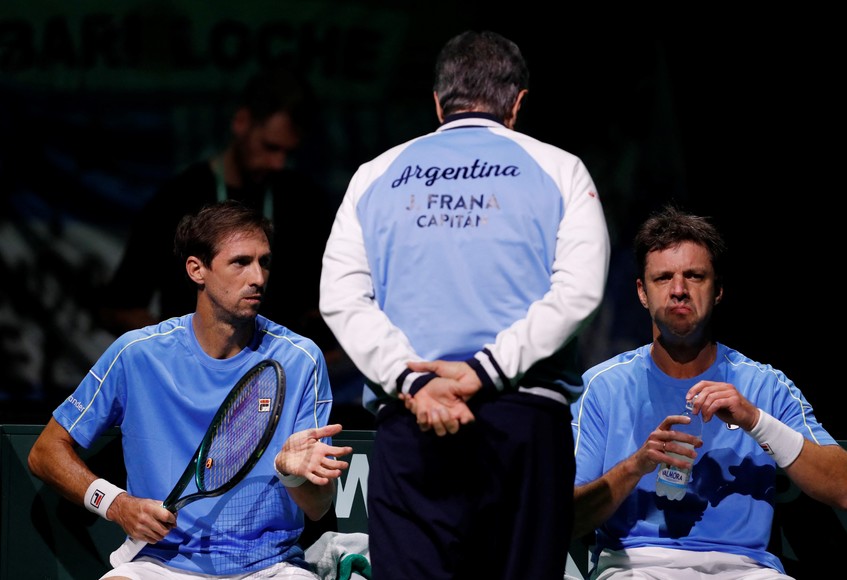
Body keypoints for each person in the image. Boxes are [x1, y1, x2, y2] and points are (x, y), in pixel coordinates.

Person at [319, 30, 611, 580]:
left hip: (413, 424)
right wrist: (484, 372)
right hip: (524, 422)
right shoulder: (562, 169)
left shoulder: (373, 176)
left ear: (437, 102)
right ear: (519, 103)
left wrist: (416, 385)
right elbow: (579, 292)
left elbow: (340, 298)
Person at [29, 200, 352, 579]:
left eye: (264, 262)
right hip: (157, 565)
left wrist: (293, 475)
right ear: (197, 269)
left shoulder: (300, 359)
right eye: (240, 262)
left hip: (271, 567)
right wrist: (116, 504)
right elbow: (45, 452)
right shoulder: (138, 355)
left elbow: (317, 507)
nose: (258, 278)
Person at [570, 204, 847, 579]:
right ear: (642, 292)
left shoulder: (764, 384)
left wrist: (756, 421)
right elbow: (563, 519)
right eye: (663, 278)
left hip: (748, 570)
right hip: (637, 567)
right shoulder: (602, 386)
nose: (679, 290)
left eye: (694, 276)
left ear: (718, 289)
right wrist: (637, 464)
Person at [98, 65, 339, 369]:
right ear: (241, 122)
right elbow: (119, 307)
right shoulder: (177, 199)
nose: (278, 163)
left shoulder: (306, 203)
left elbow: (333, 314)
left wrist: (300, 365)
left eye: (287, 152)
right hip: (191, 381)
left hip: (278, 383)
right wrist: (183, 357)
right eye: (269, 147)